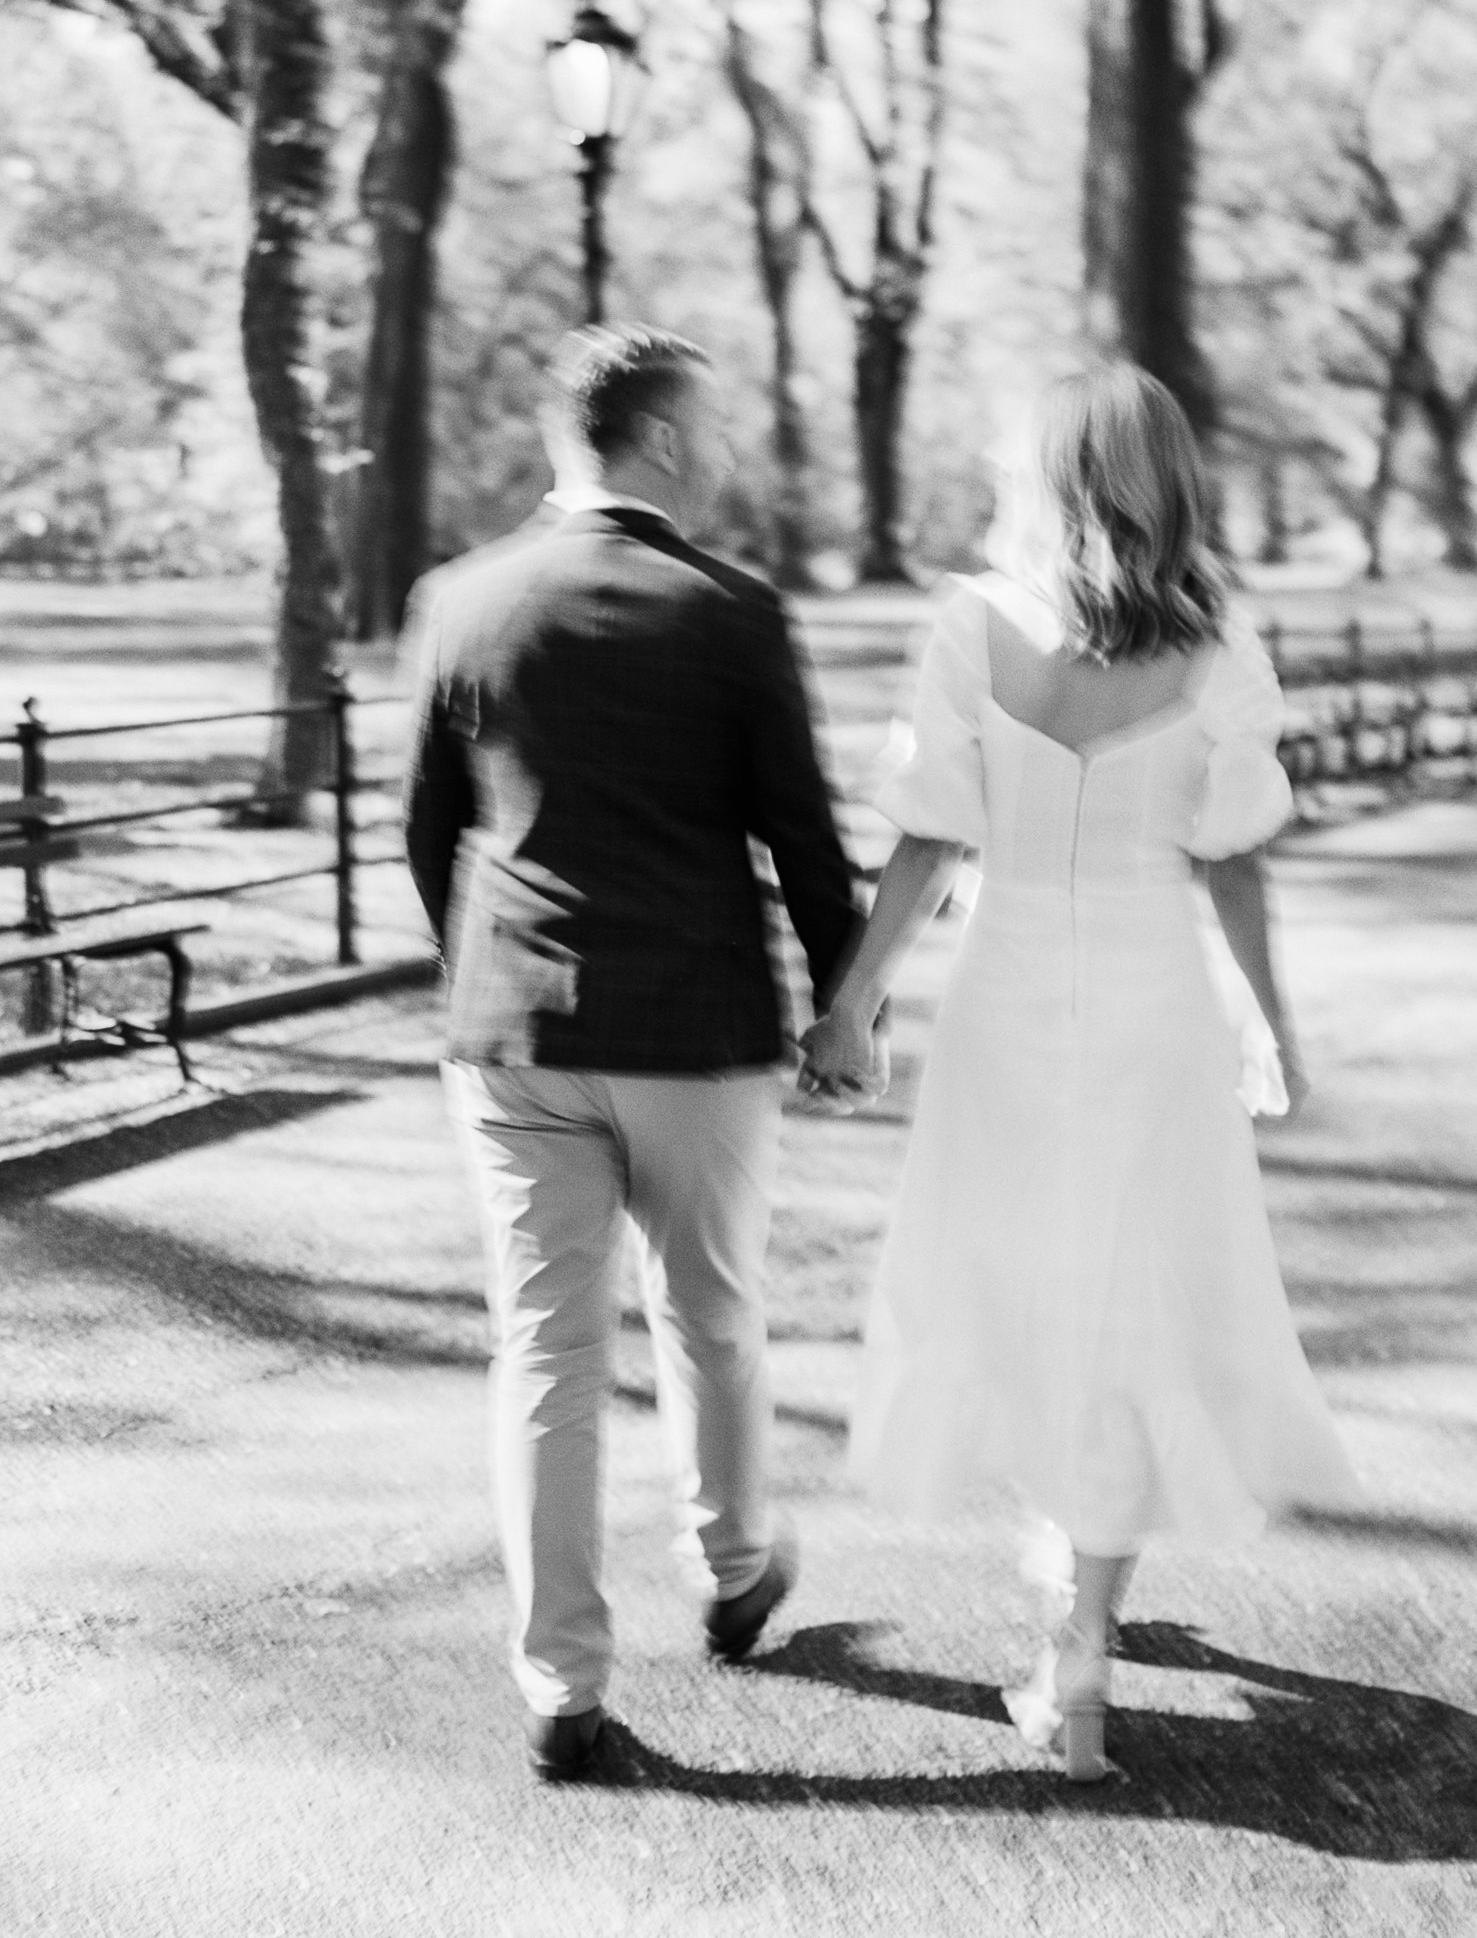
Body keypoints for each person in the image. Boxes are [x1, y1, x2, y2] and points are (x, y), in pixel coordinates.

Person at [799, 365, 1357, 1781]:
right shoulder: (1220, 641)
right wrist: (1270, 1025)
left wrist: (853, 1004)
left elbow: (926, 840)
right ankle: (1082, 1647)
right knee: (1129, 1302)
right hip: (1151, 1004)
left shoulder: (972, 626)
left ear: (1039, 479)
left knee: (1024, 1289)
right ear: (1169, 483)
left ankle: (1065, 1604)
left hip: (1003, 1003)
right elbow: (1233, 856)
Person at [404, 323, 864, 1784]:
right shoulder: (729, 609)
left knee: (544, 1353)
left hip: (514, 1030)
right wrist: (843, 1003)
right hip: (692, 1028)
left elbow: (432, 831)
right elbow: (799, 829)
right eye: (713, 428)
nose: (725, 455)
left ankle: (560, 1687)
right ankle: (731, 1571)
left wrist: (487, 982)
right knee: (708, 1312)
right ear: (659, 438)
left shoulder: (460, 596)